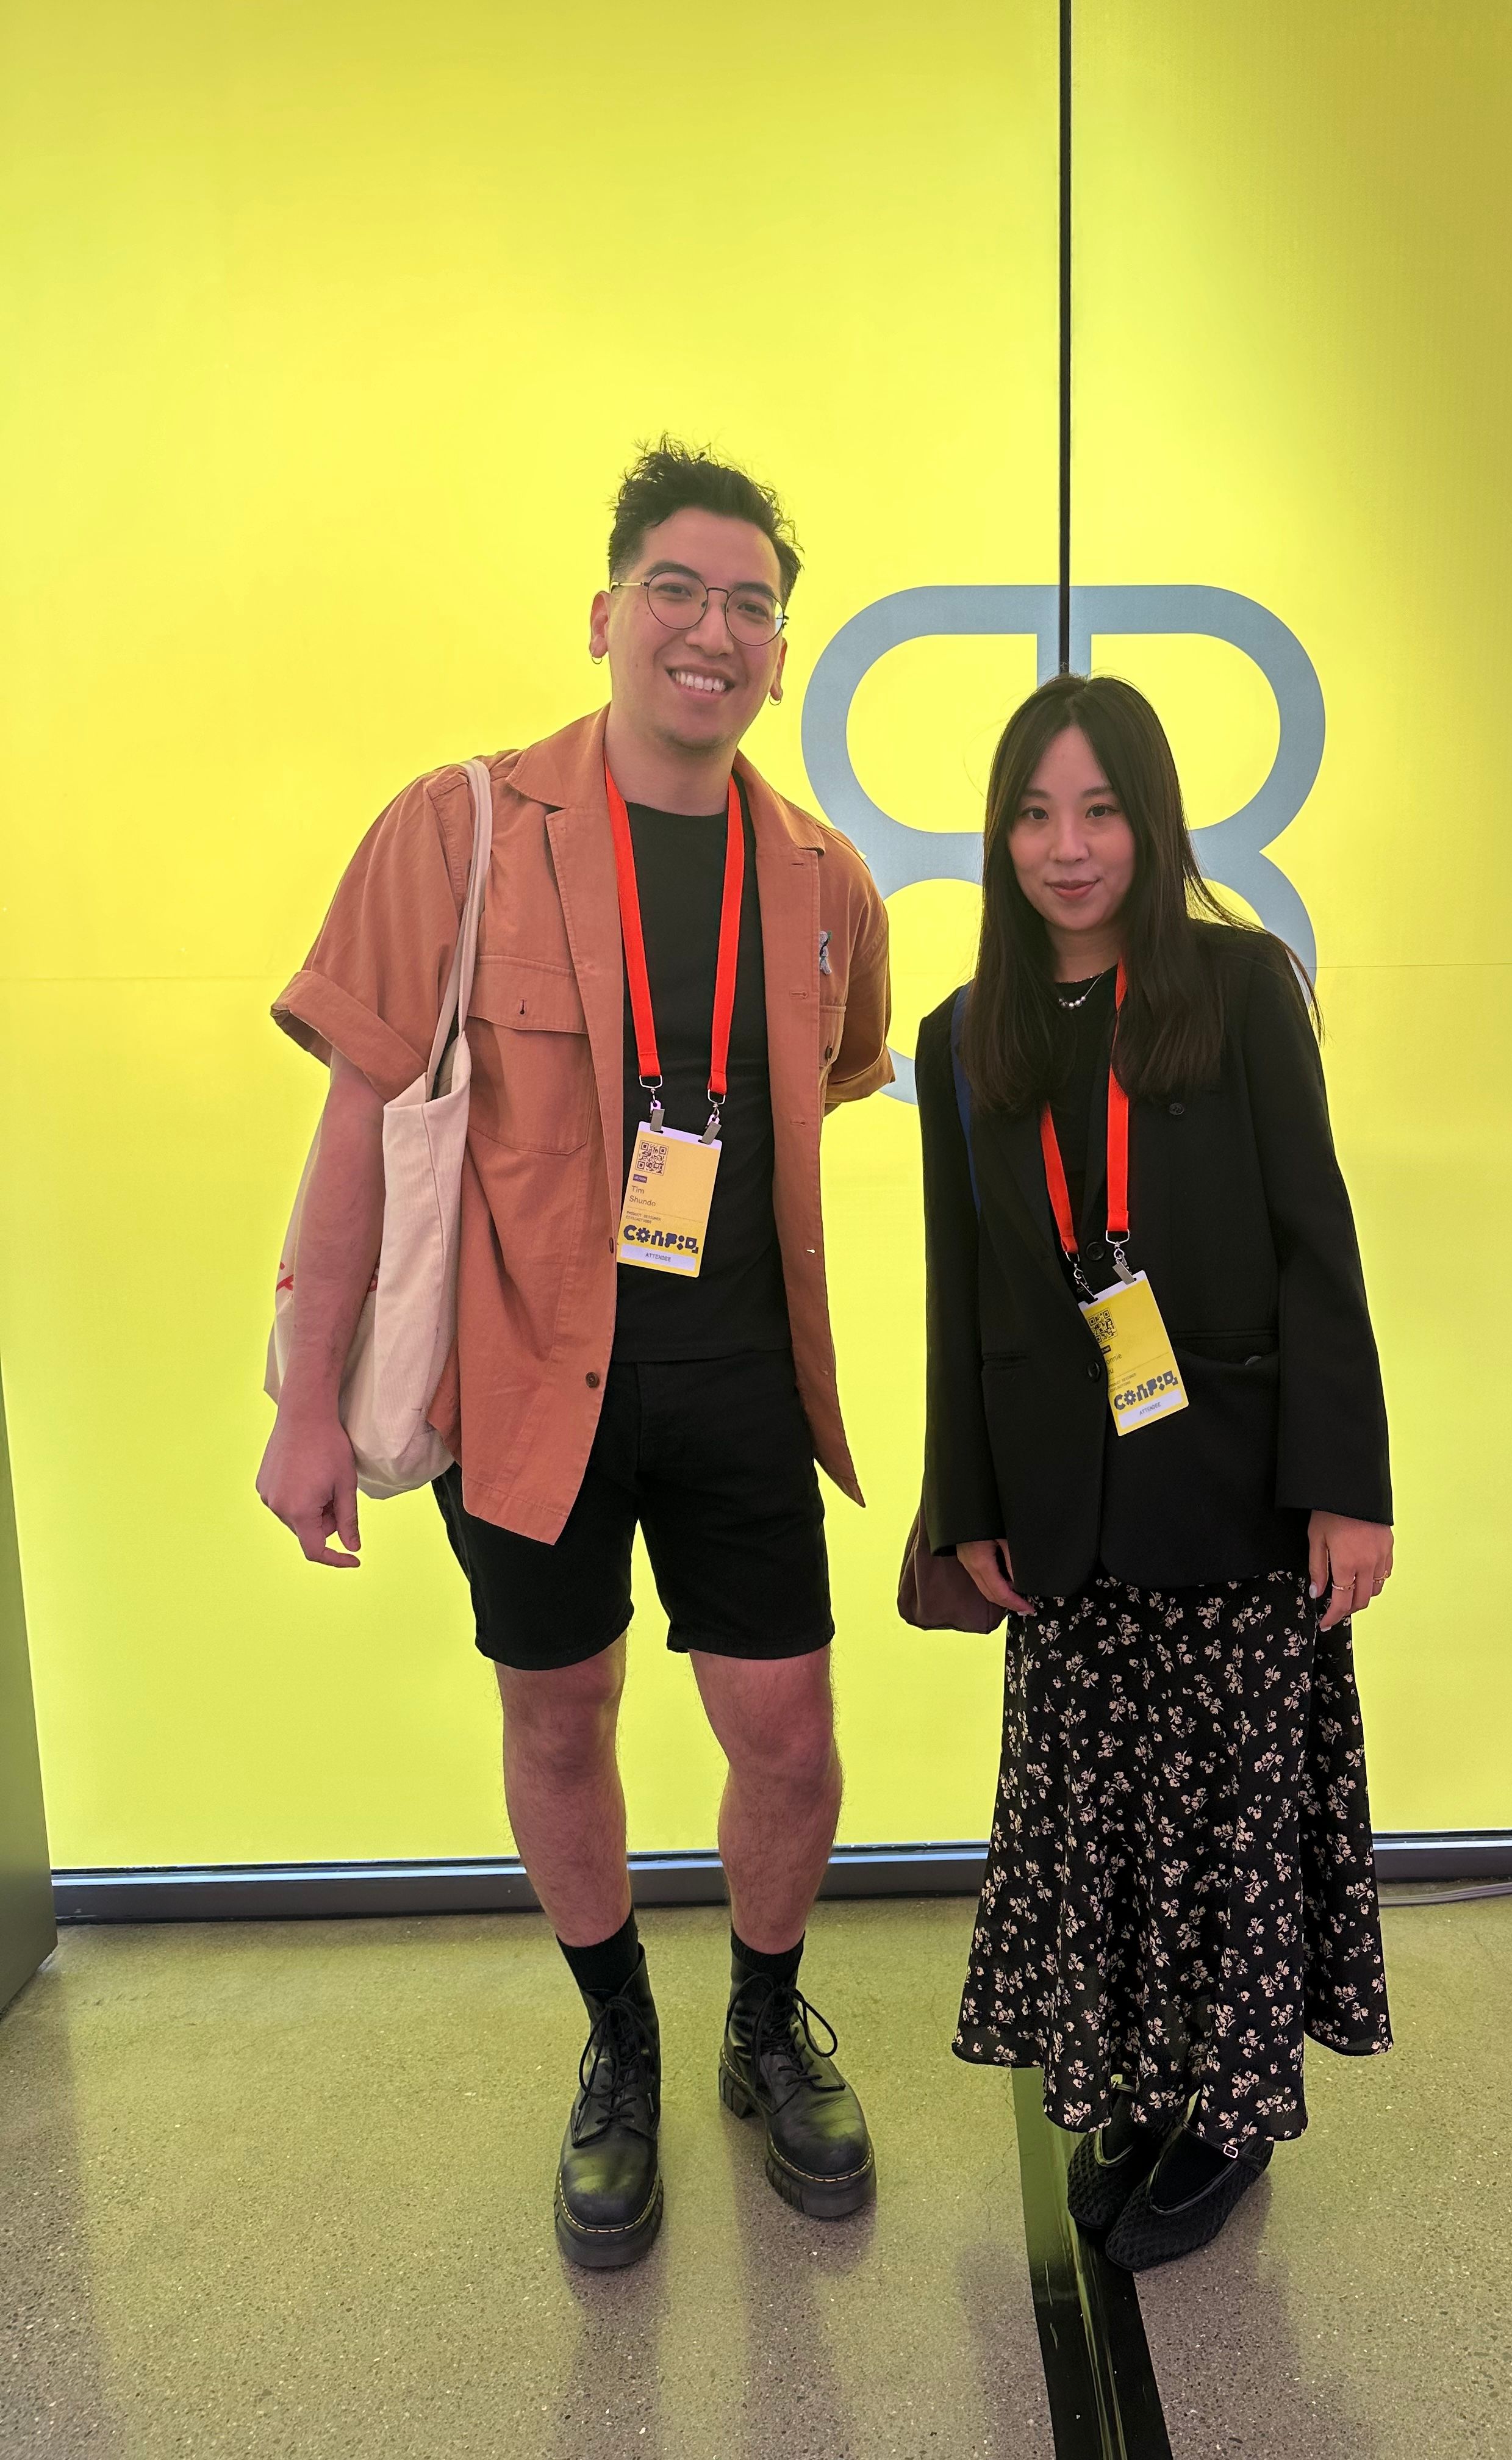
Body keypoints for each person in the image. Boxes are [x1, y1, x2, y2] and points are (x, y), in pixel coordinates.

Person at [257, 441, 892, 2267]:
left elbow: (816, 1099)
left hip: (741, 1387)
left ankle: (762, 2029)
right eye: (679, 592)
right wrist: (309, 1398)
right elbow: (356, 1129)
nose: (715, 629)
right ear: (608, 614)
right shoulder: (453, 832)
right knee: (562, 1714)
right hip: (525, 1385)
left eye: (754, 603)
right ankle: (618, 2039)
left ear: (783, 645)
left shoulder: (827, 882)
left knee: (787, 1736)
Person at [915, 672, 1394, 2273]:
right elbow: (960, 1293)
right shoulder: (964, 1034)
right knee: (1099, 1829)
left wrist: (1351, 1487)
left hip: (1238, 1499)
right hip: (1065, 1512)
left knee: (1229, 1826)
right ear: (1000, 836)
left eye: (1101, 809)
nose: (1067, 847)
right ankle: (1133, 2084)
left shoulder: (1243, 988)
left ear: (1153, 818)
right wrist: (967, 1505)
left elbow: (1318, 1245)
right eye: (1036, 813)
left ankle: (1235, 2110)